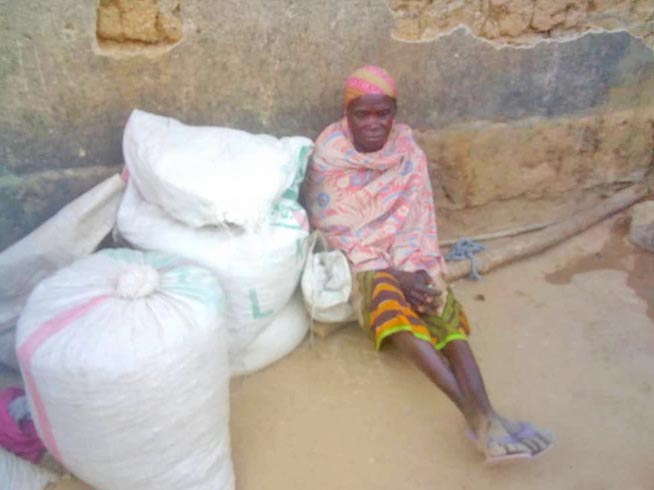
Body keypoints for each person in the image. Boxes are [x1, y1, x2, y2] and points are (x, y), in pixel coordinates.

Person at [303, 65, 554, 465]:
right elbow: (335, 233)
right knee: (384, 290)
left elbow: (416, 224)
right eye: (361, 114)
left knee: (435, 296)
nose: (373, 124)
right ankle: (473, 415)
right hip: (360, 266)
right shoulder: (330, 156)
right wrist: (395, 276)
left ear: (395, 113)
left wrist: (416, 274)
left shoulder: (408, 155)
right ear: (346, 114)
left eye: (382, 113)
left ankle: (490, 413)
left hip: (407, 255)